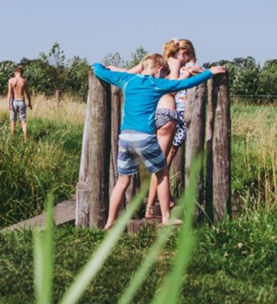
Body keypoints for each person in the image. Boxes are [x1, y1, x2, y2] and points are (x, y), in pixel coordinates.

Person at [93, 54, 226, 229]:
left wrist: (98, 64)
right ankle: (165, 217)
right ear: (160, 69)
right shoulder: (157, 83)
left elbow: (99, 71)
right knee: (162, 174)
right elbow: (183, 84)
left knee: (122, 180)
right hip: (145, 137)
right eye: (163, 74)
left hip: (125, 137)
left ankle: (109, 222)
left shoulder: (126, 79)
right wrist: (209, 72)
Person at [106, 39, 202, 220]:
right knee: (161, 167)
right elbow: (173, 88)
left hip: (145, 120)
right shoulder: (173, 65)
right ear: (183, 54)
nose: (189, 61)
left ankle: (118, 218)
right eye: (189, 57)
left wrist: (111, 69)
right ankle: (154, 209)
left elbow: (130, 73)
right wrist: (191, 75)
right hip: (168, 112)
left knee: (149, 169)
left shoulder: (155, 63)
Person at [7, 65, 32, 141]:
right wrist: (30, 103)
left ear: (15, 72)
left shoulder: (11, 80)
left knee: (12, 121)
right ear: (21, 72)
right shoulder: (24, 81)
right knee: (23, 121)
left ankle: (13, 137)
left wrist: (9, 104)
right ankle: (25, 136)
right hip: (21, 101)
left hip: (14, 101)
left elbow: (9, 92)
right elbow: (28, 93)